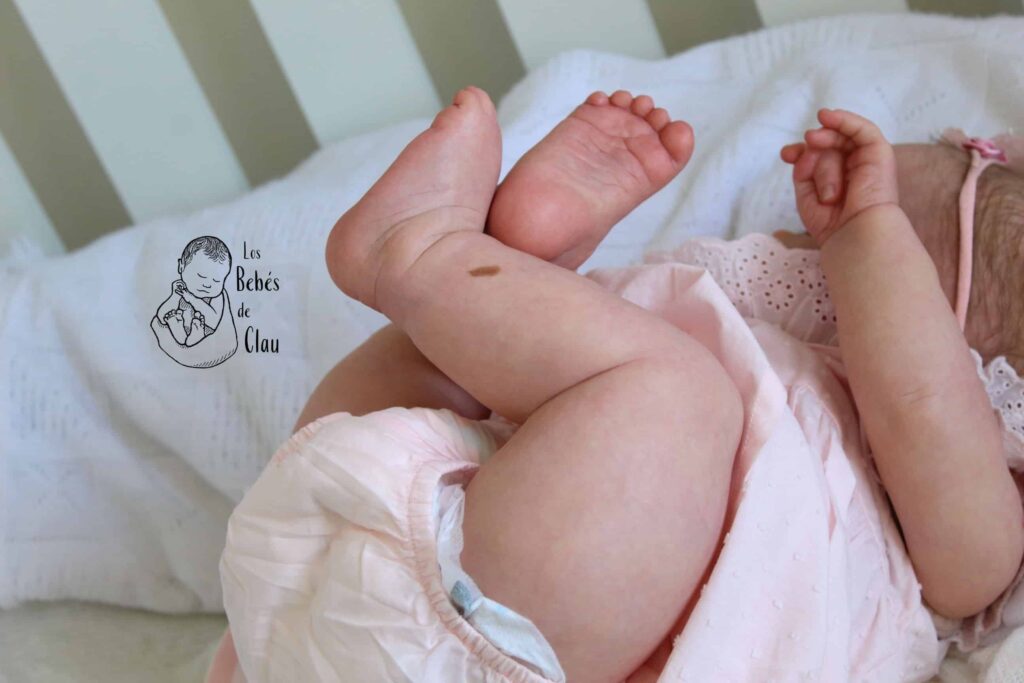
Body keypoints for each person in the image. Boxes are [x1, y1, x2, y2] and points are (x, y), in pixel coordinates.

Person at [212, 88, 1024, 682]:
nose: (796, 247)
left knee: (676, 397)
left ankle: (443, 262)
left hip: (433, 623)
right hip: (395, 571)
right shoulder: (747, 351)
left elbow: (923, 406)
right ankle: (486, 271)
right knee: (548, 372)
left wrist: (868, 237)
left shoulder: (977, 536)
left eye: (832, 251)